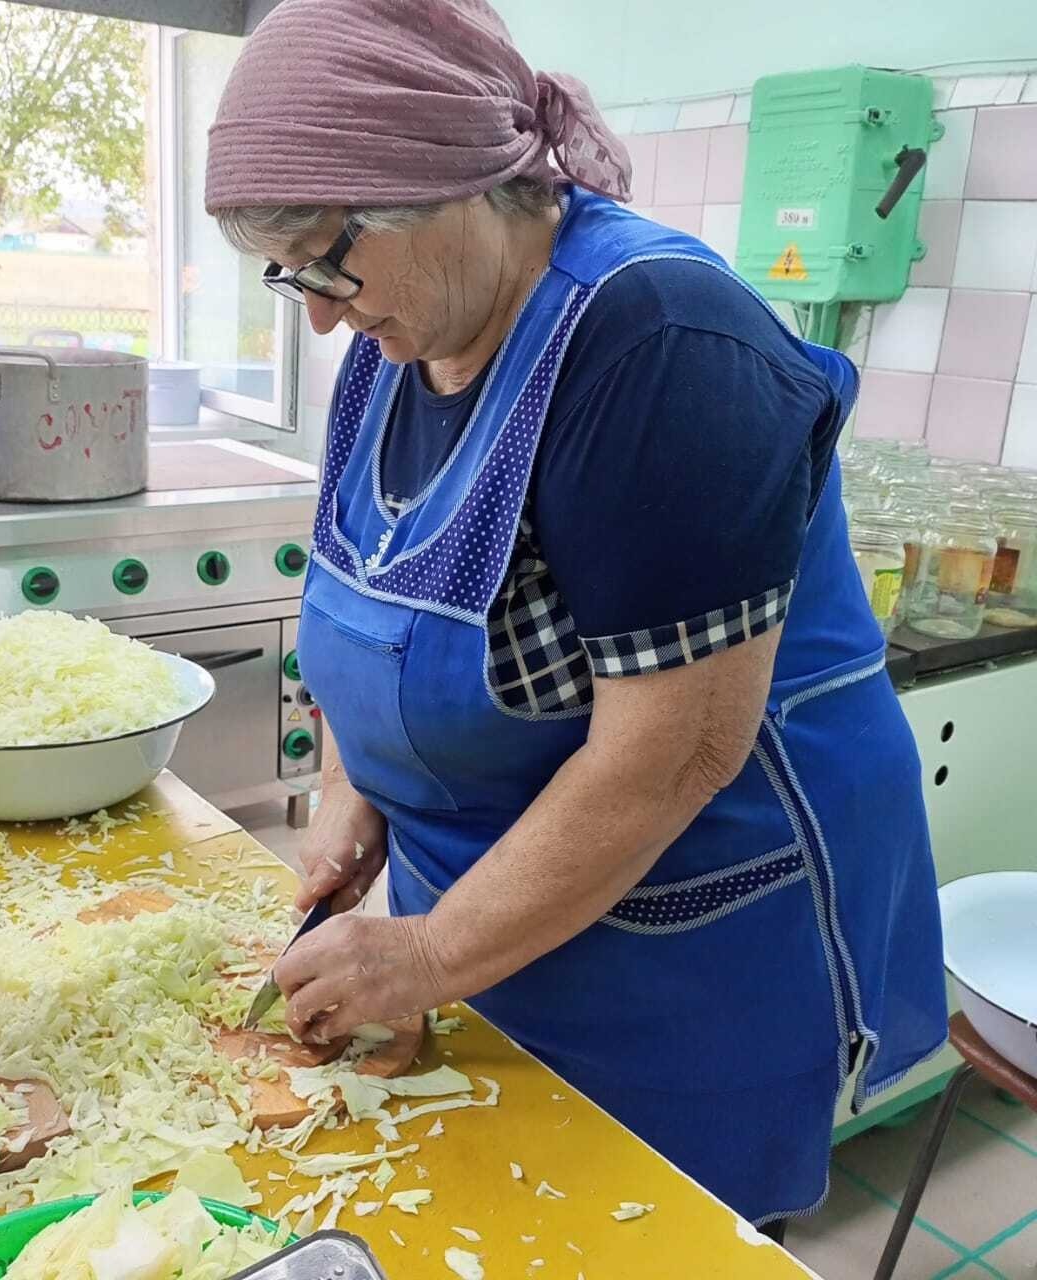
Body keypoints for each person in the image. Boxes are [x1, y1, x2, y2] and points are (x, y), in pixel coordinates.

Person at [205, 0, 947, 1228]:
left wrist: (430, 952)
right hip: (486, 914)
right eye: (289, 275)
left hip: (684, 939)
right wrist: (355, 792)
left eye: (324, 258)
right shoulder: (393, 348)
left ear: (438, 184)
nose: (322, 311)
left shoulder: (658, 346)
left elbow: (676, 754)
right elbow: (364, 607)